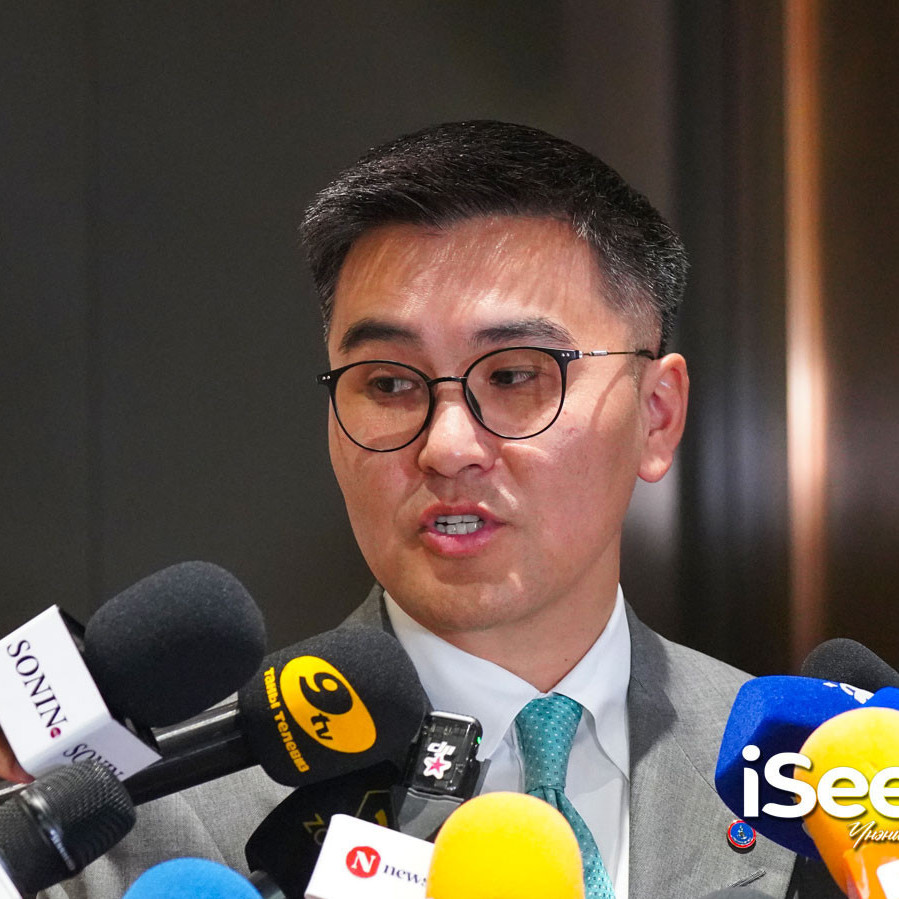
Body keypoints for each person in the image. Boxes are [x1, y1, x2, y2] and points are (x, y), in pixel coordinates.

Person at [9, 120, 837, 897]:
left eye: (513, 375)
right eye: (389, 384)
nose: (446, 445)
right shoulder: (131, 820)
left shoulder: (823, 784)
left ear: (656, 416)